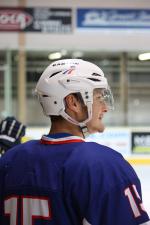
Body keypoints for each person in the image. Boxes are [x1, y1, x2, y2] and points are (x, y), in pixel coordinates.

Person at [0, 59, 149, 225]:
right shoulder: (102, 165)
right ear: (73, 102)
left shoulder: (10, 160)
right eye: (99, 97)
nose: (105, 107)